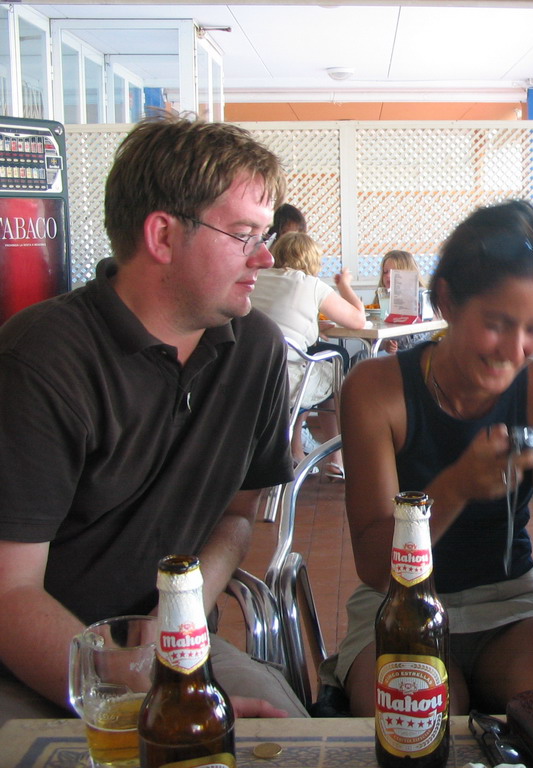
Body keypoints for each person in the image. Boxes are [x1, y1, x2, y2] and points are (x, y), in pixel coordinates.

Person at [0, 114, 309, 723]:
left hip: (178, 652)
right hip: (33, 661)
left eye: (265, 233)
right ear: (163, 236)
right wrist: (123, 688)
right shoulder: (41, 358)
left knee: (289, 739)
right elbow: (10, 593)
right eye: (244, 233)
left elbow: (237, 514)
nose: (266, 256)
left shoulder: (256, 350)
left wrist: (185, 607)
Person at [322, 199, 533, 715]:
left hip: (511, 601)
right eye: (498, 322)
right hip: (397, 606)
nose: (515, 349)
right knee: (422, 717)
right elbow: (372, 566)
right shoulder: (378, 389)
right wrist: (456, 487)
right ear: (448, 302)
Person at [251, 231, 365, 478]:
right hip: (288, 382)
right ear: (311, 260)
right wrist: (344, 285)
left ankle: (296, 450)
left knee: (323, 356)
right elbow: (358, 320)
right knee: (336, 362)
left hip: (249, 379)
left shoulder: (256, 277)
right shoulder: (311, 285)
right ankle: (335, 457)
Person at [374, 249, 430, 354]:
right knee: (361, 357)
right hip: (388, 353)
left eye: (394, 272)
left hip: (415, 353)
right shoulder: (382, 297)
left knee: (363, 358)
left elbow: (425, 336)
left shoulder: (421, 297)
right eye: (385, 272)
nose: (387, 276)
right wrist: (385, 344)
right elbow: (373, 334)